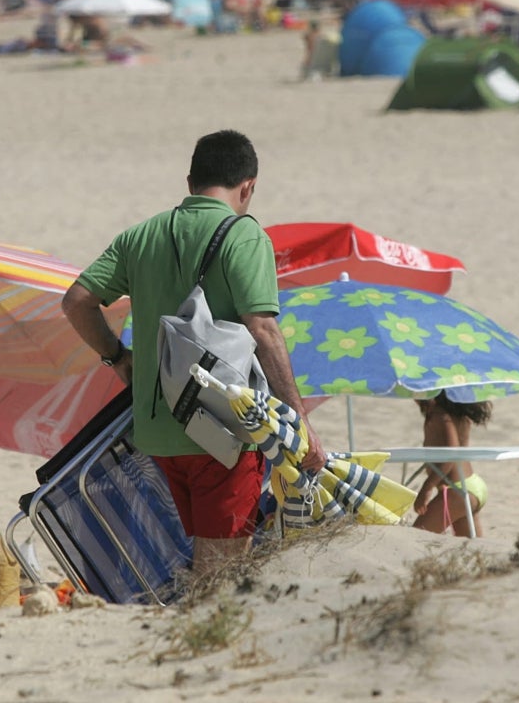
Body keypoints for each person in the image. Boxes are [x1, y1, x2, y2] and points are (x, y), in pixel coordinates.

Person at [62, 130, 326, 578]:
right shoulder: (244, 236)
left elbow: (76, 302)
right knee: (220, 574)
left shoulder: (141, 235)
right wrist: (299, 419)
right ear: (249, 187)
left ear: (190, 182)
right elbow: (263, 328)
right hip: (222, 427)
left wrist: (117, 358)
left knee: (207, 558)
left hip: (158, 432)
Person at [412, 393, 492, 537]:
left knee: (415, 538)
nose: (413, 397)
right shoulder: (458, 415)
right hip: (470, 485)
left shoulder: (440, 416)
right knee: (472, 550)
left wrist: (426, 488)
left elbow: (452, 453)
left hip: (457, 490)